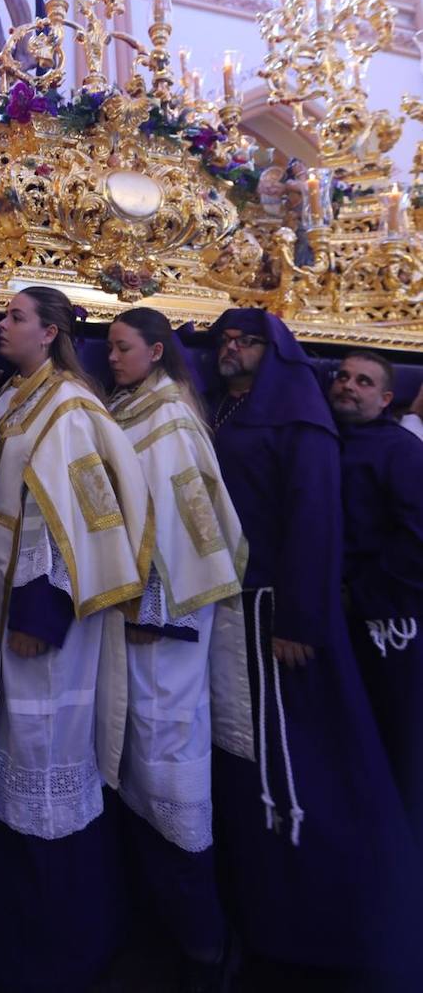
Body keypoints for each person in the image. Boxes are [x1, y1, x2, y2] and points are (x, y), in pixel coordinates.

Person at [199, 308, 422, 987]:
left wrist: (309, 612)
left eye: (364, 381)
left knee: (337, 759)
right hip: (273, 607)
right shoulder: (239, 413)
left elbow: (314, 523)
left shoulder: (338, 435)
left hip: (335, 621)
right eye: (224, 341)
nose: (347, 388)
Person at [0, 286, 151, 993]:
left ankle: (52, 950)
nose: (1, 325)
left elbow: (76, 515)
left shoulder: (66, 405)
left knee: (36, 756)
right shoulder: (14, 393)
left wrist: (42, 611)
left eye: (13, 317)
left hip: (34, 625)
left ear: (51, 331)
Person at [106, 308, 251, 993]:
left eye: (122, 348)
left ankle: (205, 948)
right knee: (136, 772)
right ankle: (163, 936)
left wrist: (155, 609)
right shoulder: (134, 408)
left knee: (169, 773)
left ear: (155, 351)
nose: (111, 358)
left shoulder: (170, 420)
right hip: (134, 623)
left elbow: (194, 530)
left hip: (166, 628)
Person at [329, 350, 423, 848]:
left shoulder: (401, 451)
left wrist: (361, 595)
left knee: (394, 731)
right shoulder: (326, 442)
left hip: (388, 618)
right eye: (342, 376)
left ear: (386, 398)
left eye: (363, 381)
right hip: (341, 614)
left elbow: (416, 539)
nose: (348, 385)